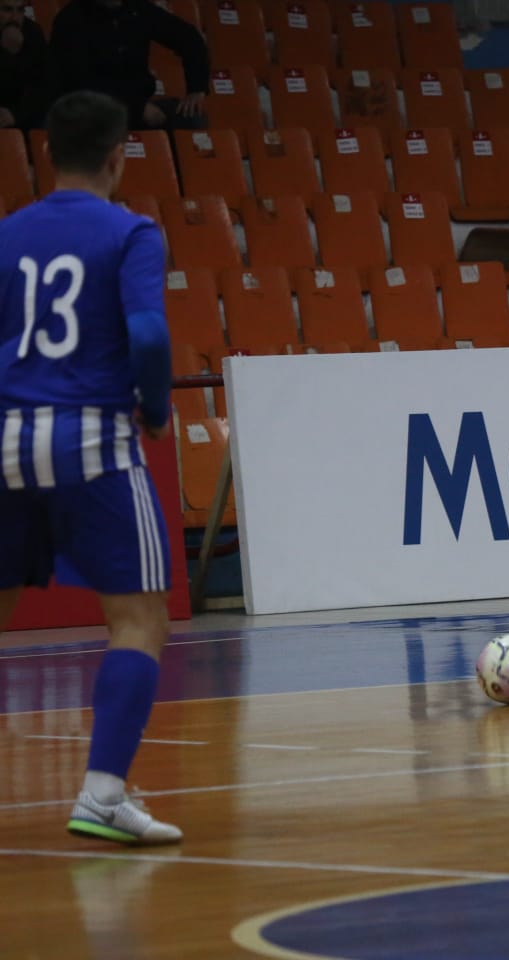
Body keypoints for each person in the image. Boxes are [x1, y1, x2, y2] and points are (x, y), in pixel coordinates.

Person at [0, 91, 180, 845]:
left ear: (45, 152)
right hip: (95, 441)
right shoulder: (133, 232)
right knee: (138, 619)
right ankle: (102, 797)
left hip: (9, 437)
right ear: (119, 154)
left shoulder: (7, 233)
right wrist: (156, 408)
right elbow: (145, 333)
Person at [48, 0, 207, 132]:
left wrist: (196, 88)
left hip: (140, 105)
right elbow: (79, 82)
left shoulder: (138, 9)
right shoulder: (71, 19)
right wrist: (135, 107)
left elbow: (190, 38)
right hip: (92, 110)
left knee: (191, 116)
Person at [0, 0, 49, 130]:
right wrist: (6, 55)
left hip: (22, 114)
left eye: (20, 10)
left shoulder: (32, 32)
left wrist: (16, 114)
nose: (15, 18)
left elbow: (43, 84)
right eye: (7, 10)